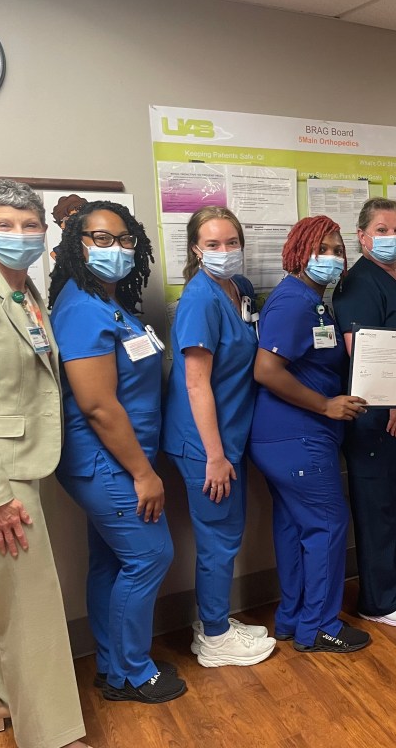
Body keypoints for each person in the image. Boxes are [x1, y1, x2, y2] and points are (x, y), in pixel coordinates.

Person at [0, 179, 89, 748]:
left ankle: (2, 699)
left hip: (27, 460)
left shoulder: (24, 290)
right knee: (33, 603)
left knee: (13, 589)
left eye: (31, 225)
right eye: (5, 225)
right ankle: (52, 735)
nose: (21, 235)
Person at [49, 201, 185, 703]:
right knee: (150, 556)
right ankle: (131, 672)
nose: (117, 249)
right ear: (76, 246)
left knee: (112, 560)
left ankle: (110, 664)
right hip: (108, 463)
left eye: (125, 239)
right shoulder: (83, 309)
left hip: (116, 461)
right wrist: (143, 474)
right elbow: (98, 405)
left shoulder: (108, 304)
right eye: (101, 239)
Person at [162, 206, 276, 666]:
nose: (225, 252)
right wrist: (213, 455)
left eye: (231, 242)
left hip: (230, 433)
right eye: (213, 244)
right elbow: (195, 383)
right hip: (204, 443)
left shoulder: (238, 289)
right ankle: (213, 637)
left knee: (224, 533)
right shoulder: (201, 300)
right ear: (195, 248)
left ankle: (216, 620)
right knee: (218, 538)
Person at [250, 216, 370, 652]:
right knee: (327, 525)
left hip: (291, 438)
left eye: (338, 250)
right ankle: (320, 627)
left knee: (296, 527)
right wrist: (325, 405)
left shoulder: (314, 301)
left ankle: (293, 618)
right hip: (295, 437)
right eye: (322, 249)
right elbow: (266, 371)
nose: (333, 258)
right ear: (299, 252)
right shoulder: (294, 301)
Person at [333, 197, 396, 627]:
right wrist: (395, 401)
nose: (392, 237)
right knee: (377, 505)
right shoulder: (358, 283)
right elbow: (363, 352)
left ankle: (391, 583)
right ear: (362, 236)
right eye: (382, 229)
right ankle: (377, 601)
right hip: (379, 413)